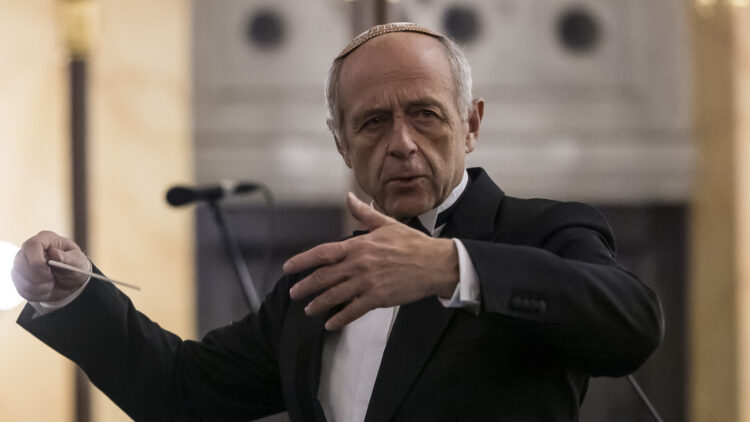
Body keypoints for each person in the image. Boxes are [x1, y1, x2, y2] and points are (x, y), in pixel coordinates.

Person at [11, 22, 663, 421]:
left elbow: (631, 322)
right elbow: (183, 394)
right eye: (373, 122)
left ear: (470, 124)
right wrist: (74, 293)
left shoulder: (539, 232)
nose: (401, 144)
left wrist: (450, 266)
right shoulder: (321, 281)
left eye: (425, 114)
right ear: (342, 144)